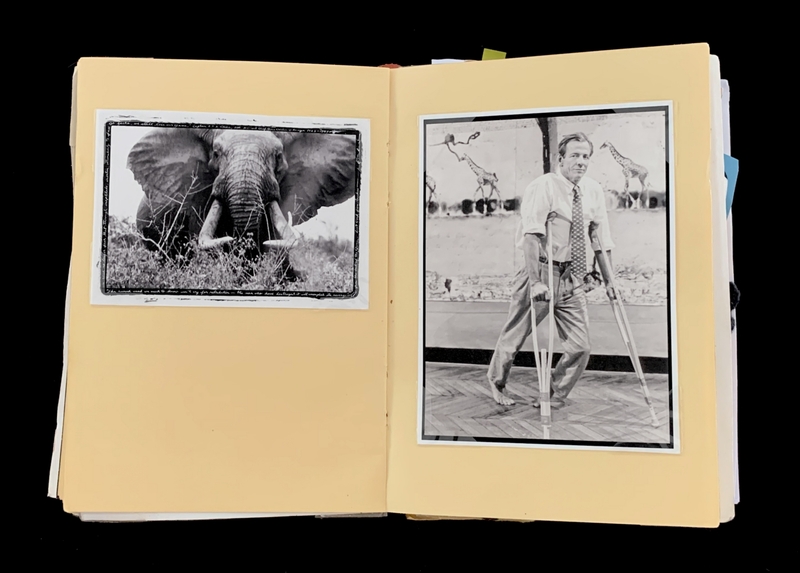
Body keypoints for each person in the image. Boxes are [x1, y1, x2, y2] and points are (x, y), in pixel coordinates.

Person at [486, 132, 616, 408]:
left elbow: (600, 239)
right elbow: (531, 236)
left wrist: (610, 280)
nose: (581, 162)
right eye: (575, 156)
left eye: (586, 156)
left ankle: (556, 392)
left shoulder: (593, 190)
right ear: (561, 158)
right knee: (515, 335)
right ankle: (497, 382)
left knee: (581, 345)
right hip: (542, 272)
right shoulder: (544, 186)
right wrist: (535, 281)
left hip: (573, 276)